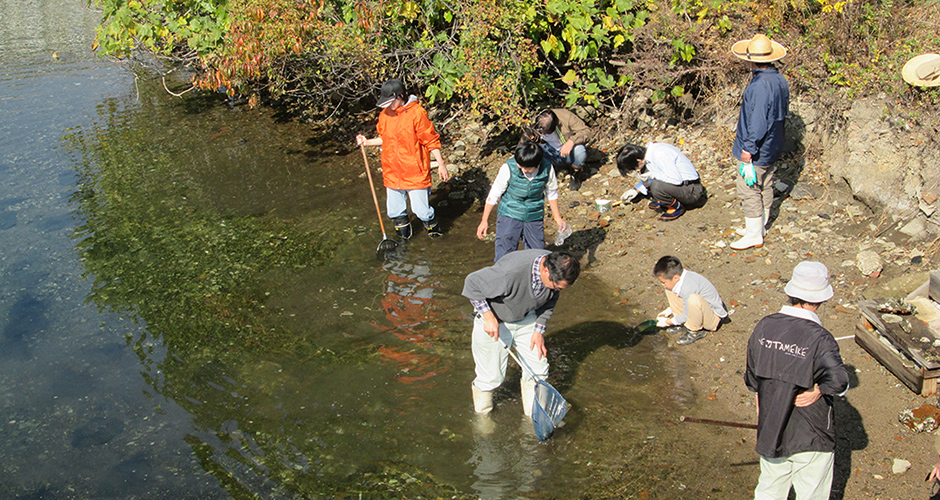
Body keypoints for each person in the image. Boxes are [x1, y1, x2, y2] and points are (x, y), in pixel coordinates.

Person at [745, 261, 849, 500]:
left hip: (771, 426)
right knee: (811, 492)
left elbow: (753, 379)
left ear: (791, 294)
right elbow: (840, 381)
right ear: (821, 299)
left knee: (769, 490)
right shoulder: (821, 338)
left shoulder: (764, 326)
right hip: (810, 431)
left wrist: (764, 416)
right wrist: (818, 391)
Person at [462, 250, 580, 416]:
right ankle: (482, 420)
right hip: (496, 320)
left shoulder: (557, 267)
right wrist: (488, 317)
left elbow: (550, 302)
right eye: (556, 286)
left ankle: (533, 418)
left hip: (526, 318)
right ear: (546, 271)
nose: (557, 290)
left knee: (538, 369)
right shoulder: (510, 272)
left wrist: (539, 330)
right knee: (491, 377)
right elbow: (472, 284)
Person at [356, 78, 451, 239]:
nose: (388, 106)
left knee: (421, 211)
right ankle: (404, 241)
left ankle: (435, 232)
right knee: (395, 212)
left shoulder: (417, 113)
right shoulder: (385, 115)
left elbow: (431, 140)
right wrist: (367, 142)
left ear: (401, 96)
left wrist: (441, 165)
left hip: (415, 172)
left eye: (391, 102)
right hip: (392, 172)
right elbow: (384, 138)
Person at [729, 34, 790, 250]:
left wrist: (748, 148)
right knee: (766, 183)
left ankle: (754, 233)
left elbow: (758, 120)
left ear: (751, 59)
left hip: (759, 147)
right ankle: (759, 226)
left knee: (749, 187)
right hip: (774, 144)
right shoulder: (779, 79)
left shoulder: (760, 85)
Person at [476, 141, 567, 263]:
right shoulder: (508, 168)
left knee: (538, 256)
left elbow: (552, 193)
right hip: (509, 213)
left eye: (527, 168)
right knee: (504, 255)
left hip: (534, 215)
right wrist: (484, 220)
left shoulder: (547, 168)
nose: (523, 170)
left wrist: (557, 218)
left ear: (538, 163)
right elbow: (494, 193)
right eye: (520, 166)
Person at [618, 142, 707, 221]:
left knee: (656, 185)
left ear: (638, 160)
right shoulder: (648, 154)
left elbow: (675, 180)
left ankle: (676, 207)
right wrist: (635, 190)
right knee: (647, 174)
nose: (635, 170)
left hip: (692, 190)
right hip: (683, 186)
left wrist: (653, 176)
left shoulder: (660, 154)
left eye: (634, 168)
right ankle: (665, 199)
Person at [652, 256, 727, 345]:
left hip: (712, 319)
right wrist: (670, 310)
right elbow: (683, 301)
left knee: (693, 299)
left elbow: (687, 314)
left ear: (676, 278)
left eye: (663, 282)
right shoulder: (681, 279)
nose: (662, 284)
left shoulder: (688, 287)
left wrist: (666, 322)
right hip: (699, 310)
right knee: (669, 289)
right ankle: (683, 324)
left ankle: (695, 331)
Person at [531, 109, 593, 191]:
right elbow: (523, 144)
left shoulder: (566, 117)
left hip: (567, 152)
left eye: (547, 131)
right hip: (548, 153)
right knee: (532, 151)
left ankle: (575, 174)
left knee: (580, 151)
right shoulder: (531, 122)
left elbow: (586, 131)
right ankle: (541, 175)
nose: (544, 133)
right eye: (541, 130)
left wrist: (572, 141)